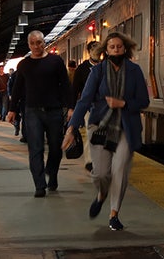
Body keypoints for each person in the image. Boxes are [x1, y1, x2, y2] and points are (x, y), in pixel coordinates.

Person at [64, 32, 149, 231]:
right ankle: (101, 194)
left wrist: (124, 103)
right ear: (106, 50)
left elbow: (144, 101)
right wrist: (71, 128)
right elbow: (84, 100)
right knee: (101, 174)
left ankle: (114, 214)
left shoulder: (135, 71)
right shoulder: (98, 72)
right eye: (112, 47)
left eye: (119, 47)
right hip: (100, 127)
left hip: (126, 128)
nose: (116, 50)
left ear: (125, 49)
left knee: (120, 170)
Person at [6, 30, 74, 198]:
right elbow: (17, 89)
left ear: (44, 43)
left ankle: (52, 173)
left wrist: (71, 107)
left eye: (39, 42)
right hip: (32, 111)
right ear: (29, 45)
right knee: (35, 148)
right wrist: (12, 109)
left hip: (54, 111)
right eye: (33, 43)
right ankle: (39, 185)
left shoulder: (56, 61)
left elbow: (65, 85)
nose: (36, 46)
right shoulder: (24, 64)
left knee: (56, 147)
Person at [71, 40, 101, 171]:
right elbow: (75, 89)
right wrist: (72, 108)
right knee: (90, 133)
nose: (96, 52)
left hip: (105, 107)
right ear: (89, 52)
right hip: (89, 107)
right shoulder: (82, 69)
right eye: (94, 49)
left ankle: (102, 159)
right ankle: (89, 160)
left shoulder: (106, 66)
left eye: (99, 49)